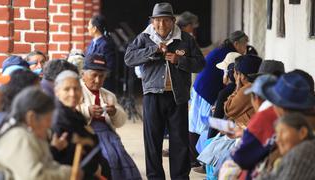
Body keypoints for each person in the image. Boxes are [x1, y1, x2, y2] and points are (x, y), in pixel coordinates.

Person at [125, 2, 205, 179]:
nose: (161, 25)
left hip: (178, 97)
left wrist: (180, 61)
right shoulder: (145, 37)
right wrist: (153, 50)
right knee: (153, 142)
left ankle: (180, 177)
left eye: (166, 21)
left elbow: (200, 64)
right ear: (152, 22)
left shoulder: (185, 39)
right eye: (157, 21)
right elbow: (129, 58)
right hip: (153, 96)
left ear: (173, 21)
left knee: (180, 142)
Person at [189, 31, 248, 169]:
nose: (245, 48)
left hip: (202, 87)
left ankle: (197, 159)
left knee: (197, 124)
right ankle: (199, 160)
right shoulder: (229, 55)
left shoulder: (224, 50)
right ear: (236, 44)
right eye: (244, 44)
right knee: (201, 125)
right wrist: (221, 102)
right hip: (206, 89)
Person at [78, 54, 141, 179]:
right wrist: (87, 110)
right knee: (108, 157)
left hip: (107, 133)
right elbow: (68, 110)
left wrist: (114, 112)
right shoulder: (75, 90)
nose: (97, 80)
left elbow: (120, 122)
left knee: (119, 155)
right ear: (83, 75)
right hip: (87, 133)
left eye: (101, 76)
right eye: (94, 75)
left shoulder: (109, 95)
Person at [0, 87, 72, 180]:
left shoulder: (31, 134)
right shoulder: (20, 136)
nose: (49, 126)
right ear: (31, 118)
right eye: (48, 120)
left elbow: (47, 163)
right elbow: (34, 177)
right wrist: (67, 173)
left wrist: (69, 170)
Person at [52, 70, 110, 179]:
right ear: (57, 92)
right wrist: (95, 170)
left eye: (76, 89)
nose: (72, 94)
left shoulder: (74, 113)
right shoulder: (58, 119)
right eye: (67, 89)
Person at [257, 113, 315, 180]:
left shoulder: (303, 152)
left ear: (302, 132)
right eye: (277, 135)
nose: (277, 140)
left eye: (282, 132)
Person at [86, 14, 116, 92]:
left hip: (102, 84)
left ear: (94, 28)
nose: (88, 28)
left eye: (89, 25)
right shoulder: (92, 43)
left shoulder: (105, 44)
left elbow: (109, 67)